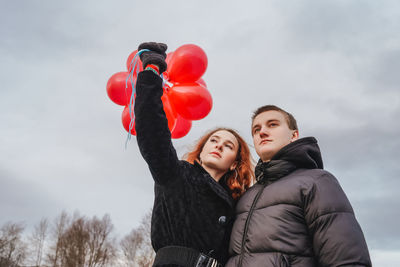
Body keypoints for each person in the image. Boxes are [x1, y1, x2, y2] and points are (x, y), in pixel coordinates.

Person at [134, 42, 254, 267]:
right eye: (214, 141)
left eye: (228, 146)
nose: (218, 146)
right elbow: (152, 131)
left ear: (233, 164)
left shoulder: (236, 204)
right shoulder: (176, 174)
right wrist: (151, 71)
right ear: (200, 152)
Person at [226, 105, 372, 267]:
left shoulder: (317, 181)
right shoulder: (246, 197)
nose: (262, 132)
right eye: (256, 129)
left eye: (272, 124)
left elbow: (347, 259)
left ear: (294, 135)